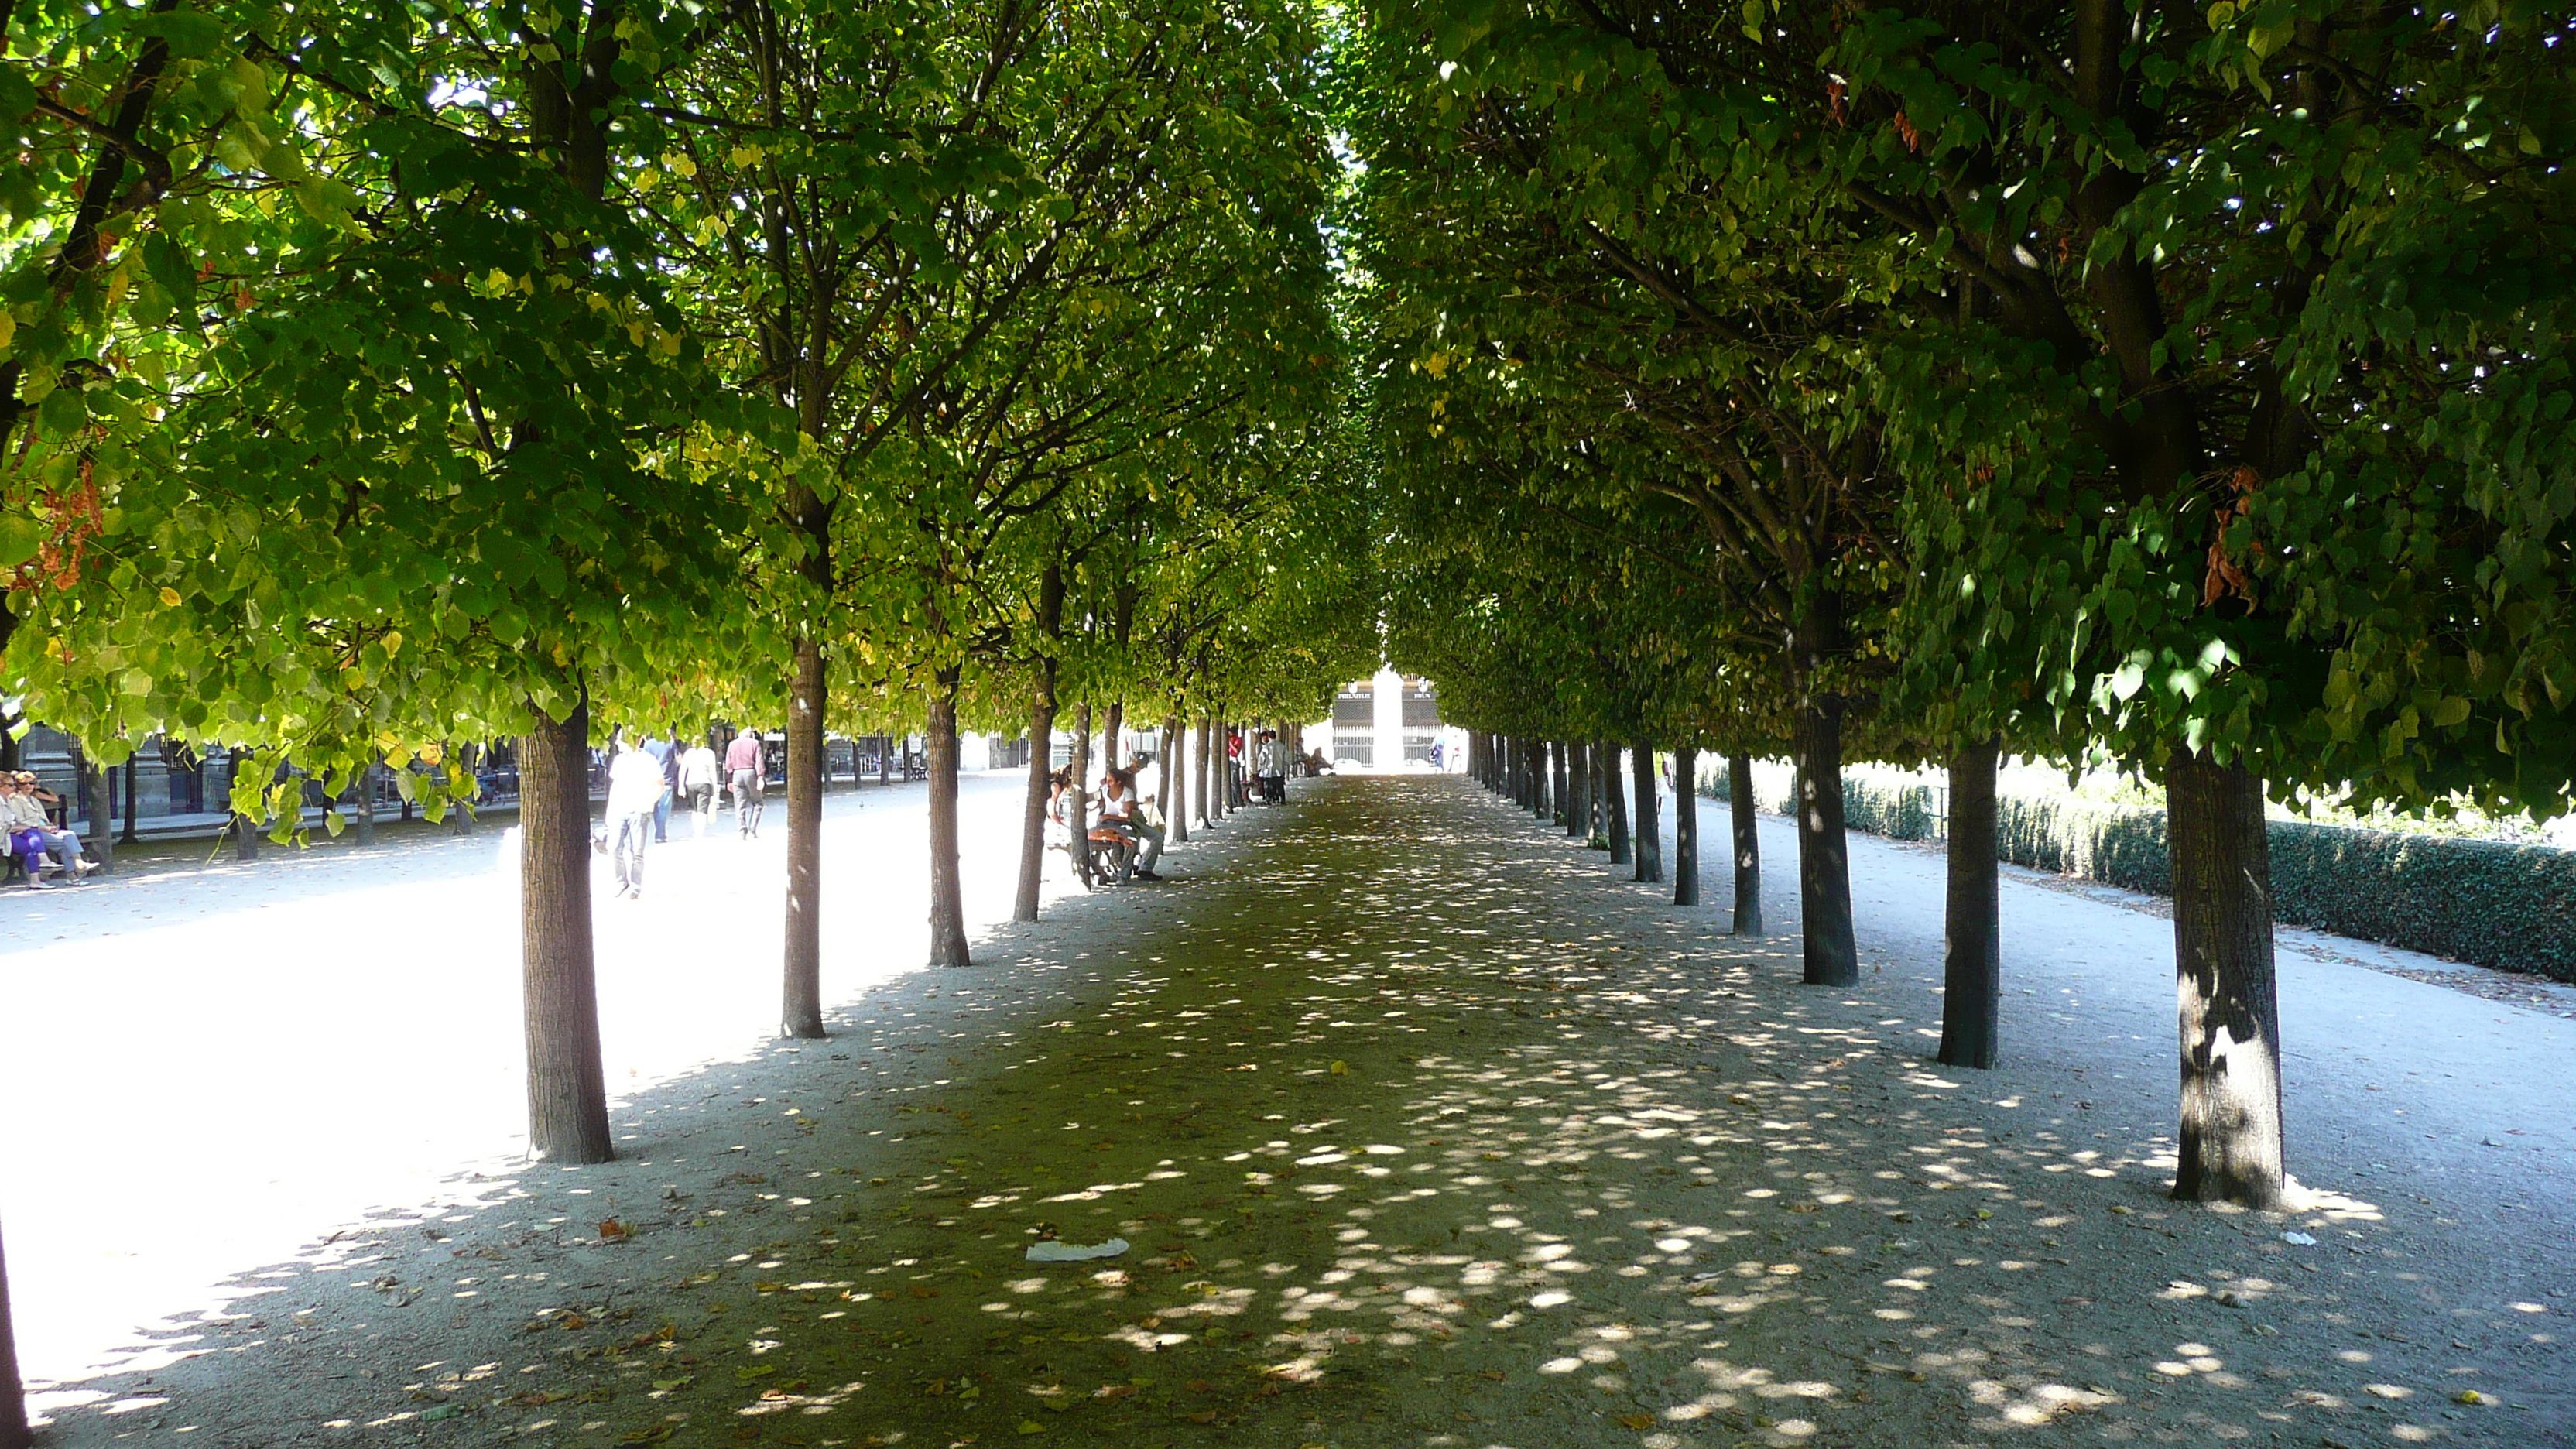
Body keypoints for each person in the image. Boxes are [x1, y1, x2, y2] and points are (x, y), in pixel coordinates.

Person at [605, 735, 663, 899]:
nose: (617, 743)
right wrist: (610, 810)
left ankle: (635, 887)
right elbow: (615, 787)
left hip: (639, 811)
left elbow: (660, 786)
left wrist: (647, 804)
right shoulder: (619, 761)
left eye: (620, 740)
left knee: (637, 851)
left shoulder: (648, 760)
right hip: (620, 810)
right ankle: (621, 882)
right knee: (614, 848)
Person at [5, 772, 89, 887]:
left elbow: (43, 817)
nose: (28, 786)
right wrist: (44, 828)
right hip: (33, 831)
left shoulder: (34, 799)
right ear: (18, 785)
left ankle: (78, 864)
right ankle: (74, 874)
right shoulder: (16, 800)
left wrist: (50, 826)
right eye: (23, 783)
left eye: (31, 783)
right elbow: (21, 821)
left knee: (69, 835)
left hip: (45, 829)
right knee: (66, 843)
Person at [1122, 752, 1166, 879]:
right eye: (1137, 765)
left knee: (1156, 834)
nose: (1138, 769)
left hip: (1132, 814)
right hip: (1130, 816)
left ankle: (1141, 864)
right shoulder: (1126, 776)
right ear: (1133, 761)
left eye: (1140, 767)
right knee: (1157, 836)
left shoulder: (1129, 776)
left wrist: (1143, 801)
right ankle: (1145, 868)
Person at [724, 729, 766, 838]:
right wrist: (760, 777)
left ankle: (742, 831)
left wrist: (729, 780)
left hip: (737, 774)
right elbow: (759, 761)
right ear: (750, 734)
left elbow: (728, 763)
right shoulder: (755, 743)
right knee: (758, 802)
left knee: (739, 804)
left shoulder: (732, 744)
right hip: (751, 772)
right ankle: (753, 828)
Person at [680, 733, 721, 836]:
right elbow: (712, 772)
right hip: (704, 783)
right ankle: (700, 833)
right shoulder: (709, 753)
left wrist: (681, 786)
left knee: (695, 809)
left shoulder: (688, 753)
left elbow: (683, 770)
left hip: (691, 783)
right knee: (702, 809)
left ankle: (696, 831)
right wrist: (715, 787)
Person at [643, 730, 679, 843]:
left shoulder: (648, 744)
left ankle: (658, 832)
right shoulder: (670, 743)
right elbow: (678, 760)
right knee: (664, 809)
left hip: (651, 781)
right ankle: (660, 834)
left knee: (654, 807)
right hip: (666, 779)